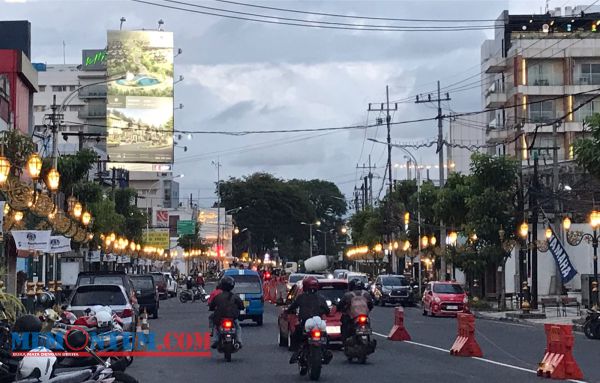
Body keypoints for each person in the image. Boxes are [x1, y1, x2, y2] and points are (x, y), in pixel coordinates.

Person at [285, 276, 329, 364]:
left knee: (296, 335)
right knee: (325, 336)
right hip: (317, 325)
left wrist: (288, 311)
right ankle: (324, 351)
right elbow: (327, 311)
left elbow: (292, 307)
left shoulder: (301, 297)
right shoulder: (321, 298)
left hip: (305, 324)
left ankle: (297, 352)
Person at [209, 276, 244, 348]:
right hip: (232, 317)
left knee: (216, 327)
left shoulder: (218, 296)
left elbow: (212, 305)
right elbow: (241, 305)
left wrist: (212, 308)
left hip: (220, 317)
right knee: (238, 327)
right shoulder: (235, 296)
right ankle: (239, 341)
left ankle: (215, 340)